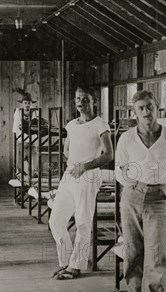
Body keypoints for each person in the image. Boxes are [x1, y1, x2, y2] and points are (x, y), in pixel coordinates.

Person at [115, 90, 166, 292]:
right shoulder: (127, 138)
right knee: (132, 252)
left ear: (157, 107)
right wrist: (133, 185)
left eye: (149, 106)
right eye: (140, 108)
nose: (146, 112)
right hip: (131, 197)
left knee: (157, 254)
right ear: (134, 112)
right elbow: (120, 170)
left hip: (158, 199)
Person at [49, 87, 113, 280]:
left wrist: (85, 166)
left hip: (89, 175)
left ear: (93, 101)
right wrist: (72, 162)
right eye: (77, 99)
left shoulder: (100, 124)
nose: (81, 103)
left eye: (85, 99)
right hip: (70, 174)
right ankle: (66, 262)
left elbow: (109, 155)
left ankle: (76, 266)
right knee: (56, 220)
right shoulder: (70, 124)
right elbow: (67, 148)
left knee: (83, 221)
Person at [12, 92, 39, 178]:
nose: (27, 105)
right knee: (20, 164)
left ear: (31, 103)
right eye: (25, 103)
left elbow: (37, 125)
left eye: (28, 103)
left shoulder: (35, 112)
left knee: (33, 163)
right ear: (22, 104)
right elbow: (16, 126)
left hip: (32, 141)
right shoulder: (18, 112)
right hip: (22, 141)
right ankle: (20, 178)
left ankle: (33, 176)